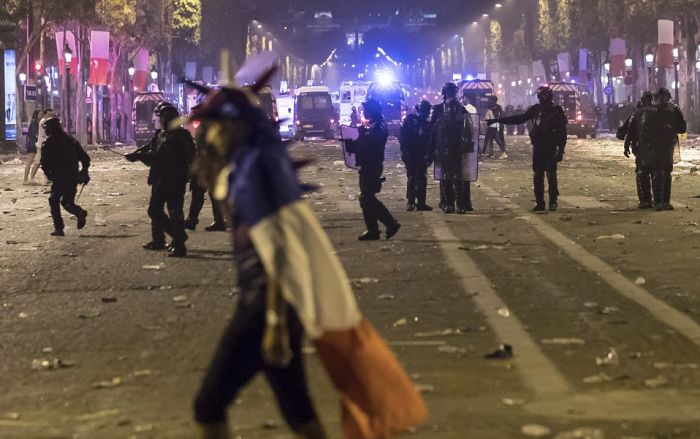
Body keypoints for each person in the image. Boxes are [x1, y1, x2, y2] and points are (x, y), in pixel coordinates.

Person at [189, 82, 426, 439]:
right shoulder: (255, 167)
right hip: (282, 306)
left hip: (264, 309)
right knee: (298, 410)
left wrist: (274, 321)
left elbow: (281, 249)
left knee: (208, 406)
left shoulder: (250, 176)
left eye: (209, 127)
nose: (204, 135)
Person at [126, 102, 196, 257]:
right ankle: (175, 238)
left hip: (175, 179)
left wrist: (138, 157)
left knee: (173, 210)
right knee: (155, 209)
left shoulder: (180, 136)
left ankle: (179, 243)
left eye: (162, 117)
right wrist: (137, 153)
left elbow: (161, 155)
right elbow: (151, 147)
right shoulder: (161, 134)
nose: (160, 120)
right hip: (161, 177)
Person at [489, 85, 567, 211]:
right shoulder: (536, 110)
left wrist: (561, 149)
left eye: (545, 95)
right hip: (539, 147)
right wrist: (500, 120)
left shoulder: (557, 111)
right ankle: (540, 203)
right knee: (538, 175)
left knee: (551, 175)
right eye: (542, 95)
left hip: (551, 147)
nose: (543, 98)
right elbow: (520, 118)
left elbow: (562, 133)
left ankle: (553, 201)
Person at [345, 99, 401, 240]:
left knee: (367, 198)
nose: (365, 112)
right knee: (366, 198)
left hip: (372, 165)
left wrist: (355, 143)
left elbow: (368, 146)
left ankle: (390, 223)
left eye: (366, 110)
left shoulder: (378, 128)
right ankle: (373, 230)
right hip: (368, 164)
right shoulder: (375, 126)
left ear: (373, 111)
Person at [39, 117, 90, 236]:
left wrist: (49, 174)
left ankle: (59, 228)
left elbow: (45, 162)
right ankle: (79, 212)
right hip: (73, 175)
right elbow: (85, 159)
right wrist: (84, 171)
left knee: (53, 200)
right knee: (67, 202)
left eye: (46, 128)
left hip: (60, 176)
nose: (45, 130)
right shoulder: (70, 140)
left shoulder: (49, 142)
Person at [430, 82, 474, 214]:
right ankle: (448, 203)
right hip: (443, 148)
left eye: (453, 93)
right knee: (445, 177)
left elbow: (470, 128)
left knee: (459, 178)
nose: (451, 96)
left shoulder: (461, 109)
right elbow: (432, 130)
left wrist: (468, 145)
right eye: (449, 93)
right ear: (444, 94)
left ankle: (461, 204)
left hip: (458, 148)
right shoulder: (438, 109)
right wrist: (431, 149)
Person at [185, 105, 227, 231]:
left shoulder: (208, 127)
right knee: (204, 192)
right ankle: (197, 220)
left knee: (201, 192)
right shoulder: (208, 126)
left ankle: (193, 220)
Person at [650, 87, 686, 210]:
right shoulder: (652, 110)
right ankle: (659, 202)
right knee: (659, 174)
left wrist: (671, 127)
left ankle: (664, 201)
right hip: (657, 145)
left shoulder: (673, 109)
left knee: (665, 174)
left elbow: (682, 127)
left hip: (666, 145)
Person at [617, 91, 654, 209]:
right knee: (655, 173)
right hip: (654, 148)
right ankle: (657, 200)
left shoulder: (638, 113)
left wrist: (626, 145)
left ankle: (645, 200)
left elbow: (630, 130)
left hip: (643, 148)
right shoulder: (657, 111)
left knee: (642, 173)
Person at [399, 100, 432, 211]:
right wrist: (405, 153)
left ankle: (421, 202)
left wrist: (429, 154)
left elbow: (428, 139)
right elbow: (404, 138)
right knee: (412, 177)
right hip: (411, 154)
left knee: (422, 178)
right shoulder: (410, 120)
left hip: (422, 154)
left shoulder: (424, 122)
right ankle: (411, 202)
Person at [28, 108, 54, 185]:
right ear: (45, 114)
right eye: (49, 114)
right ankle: (31, 179)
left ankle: (48, 178)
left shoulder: (48, 121)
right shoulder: (43, 121)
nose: (50, 116)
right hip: (41, 146)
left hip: (47, 145)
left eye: (51, 114)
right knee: (38, 162)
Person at [23, 109, 40, 184]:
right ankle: (26, 179)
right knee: (29, 162)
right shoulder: (34, 122)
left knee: (31, 162)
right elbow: (35, 134)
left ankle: (27, 179)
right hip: (33, 144)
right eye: (40, 114)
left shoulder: (35, 122)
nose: (41, 115)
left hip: (32, 143)